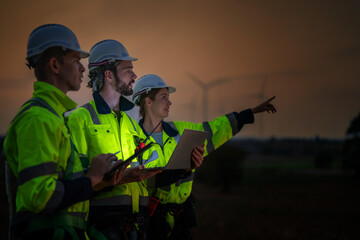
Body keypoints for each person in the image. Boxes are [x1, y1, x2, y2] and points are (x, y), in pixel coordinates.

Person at [3, 24, 127, 240]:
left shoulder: (53, 117)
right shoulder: (38, 119)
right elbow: (40, 196)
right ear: (55, 65)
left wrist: (99, 182)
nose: (82, 68)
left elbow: (59, 184)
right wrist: (91, 178)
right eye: (76, 60)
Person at [131, 74, 277, 240]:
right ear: (148, 101)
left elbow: (215, 129)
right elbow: (141, 180)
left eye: (169, 97)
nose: (170, 102)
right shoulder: (133, 139)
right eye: (164, 97)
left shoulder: (181, 130)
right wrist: (183, 169)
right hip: (152, 223)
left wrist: (249, 113)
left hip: (181, 222)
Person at [66, 39, 170, 240]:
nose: (134, 75)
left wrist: (176, 167)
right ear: (108, 74)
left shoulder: (130, 123)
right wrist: (119, 178)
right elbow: (74, 179)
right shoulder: (80, 118)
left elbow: (150, 164)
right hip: (102, 227)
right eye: (128, 69)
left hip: (137, 227)